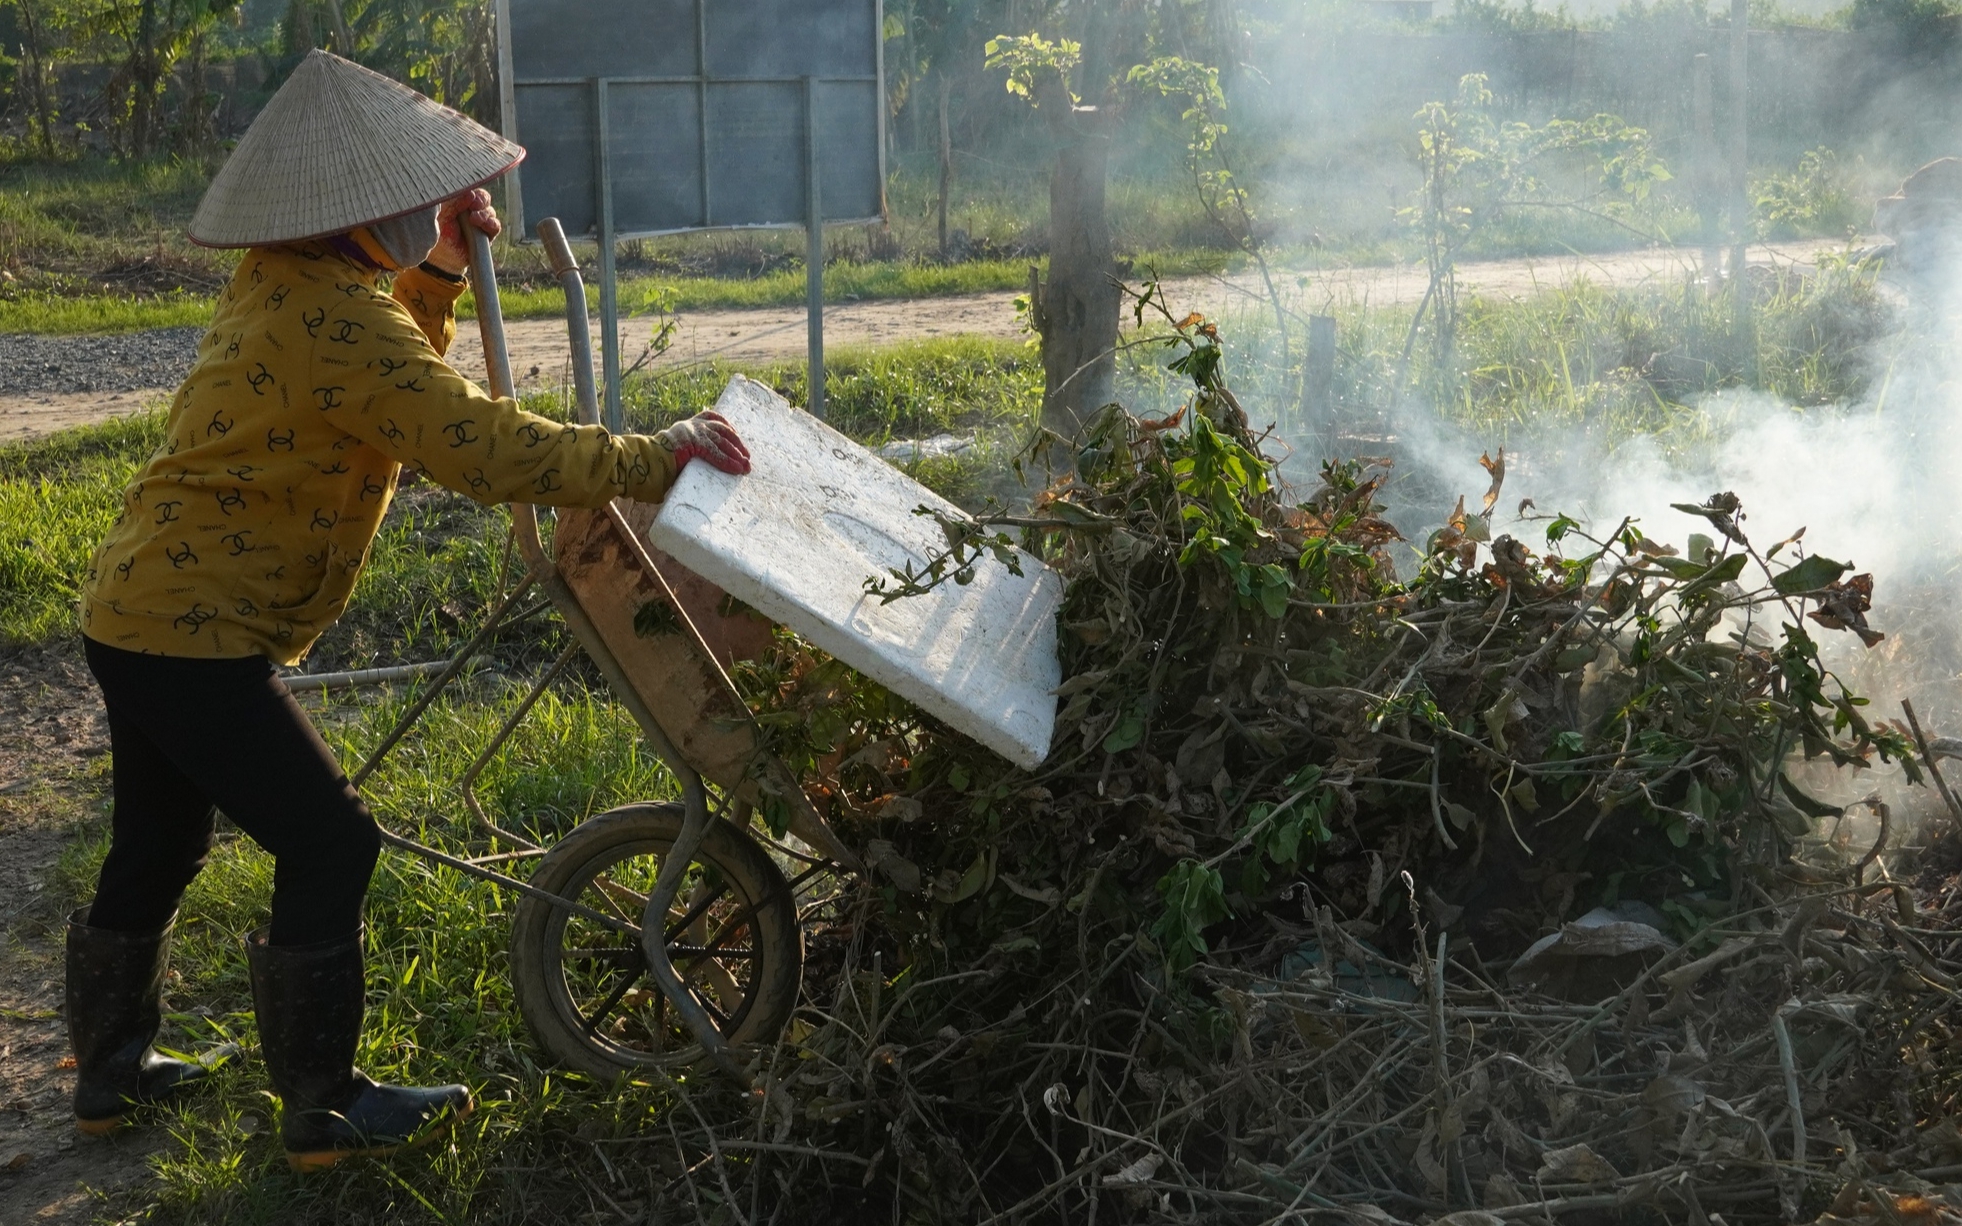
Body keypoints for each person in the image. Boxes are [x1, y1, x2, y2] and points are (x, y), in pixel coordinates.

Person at [64, 49, 750, 1173]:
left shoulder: (288, 282)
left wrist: (429, 274)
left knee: (161, 834)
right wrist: (650, 456)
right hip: (193, 630)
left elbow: (381, 388)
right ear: (359, 215)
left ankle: (108, 1077)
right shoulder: (339, 319)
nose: (436, 210)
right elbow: (476, 443)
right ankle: (322, 1110)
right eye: (416, 202)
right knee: (330, 839)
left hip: (140, 607)